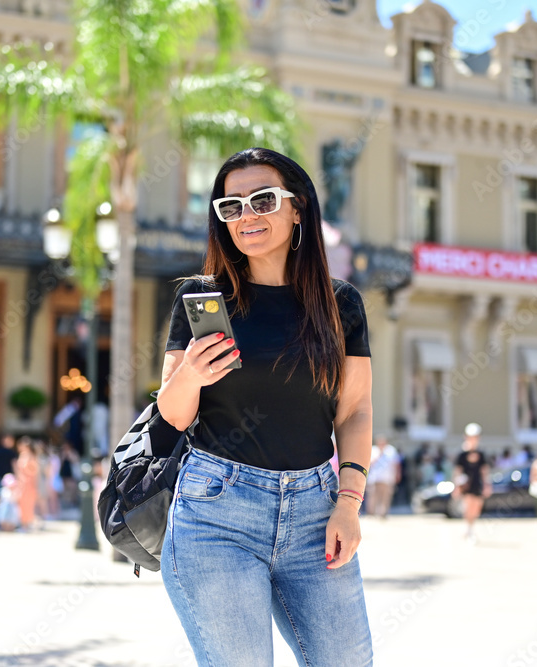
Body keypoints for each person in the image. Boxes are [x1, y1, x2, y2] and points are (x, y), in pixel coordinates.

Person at [156, 147, 373, 665]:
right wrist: (192, 372)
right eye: (231, 206)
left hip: (317, 511)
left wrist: (349, 503)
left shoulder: (339, 304)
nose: (246, 215)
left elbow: (355, 410)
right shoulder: (204, 299)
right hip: (216, 514)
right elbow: (172, 416)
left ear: (297, 208)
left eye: (263, 199)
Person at [453, 423, 490, 542]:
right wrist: (456, 487)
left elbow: (484, 471)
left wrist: (486, 485)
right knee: (468, 507)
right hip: (466, 485)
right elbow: (458, 471)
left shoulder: (481, 454)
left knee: (476, 508)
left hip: (477, 483)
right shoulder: (462, 454)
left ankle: (471, 527)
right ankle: (469, 530)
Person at [366, 436, 400, 519]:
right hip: (375, 478)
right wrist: (379, 455)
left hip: (387, 478)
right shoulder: (373, 450)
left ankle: (383, 513)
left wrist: (397, 474)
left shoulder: (391, 451)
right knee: (373, 496)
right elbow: (369, 463)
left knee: (386, 497)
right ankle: (371, 514)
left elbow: (396, 464)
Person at [0, 433, 18, 523]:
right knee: (8, 499)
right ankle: (6, 520)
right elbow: (15, 465)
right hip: (9, 480)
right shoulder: (12, 453)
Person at [14, 437, 39, 531]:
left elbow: (34, 471)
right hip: (22, 483)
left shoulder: (31, 457)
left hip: (28, 484)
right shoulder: (22, 455)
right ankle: (24, 524)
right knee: (21, 504)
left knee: (28, 504)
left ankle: (26, 524)